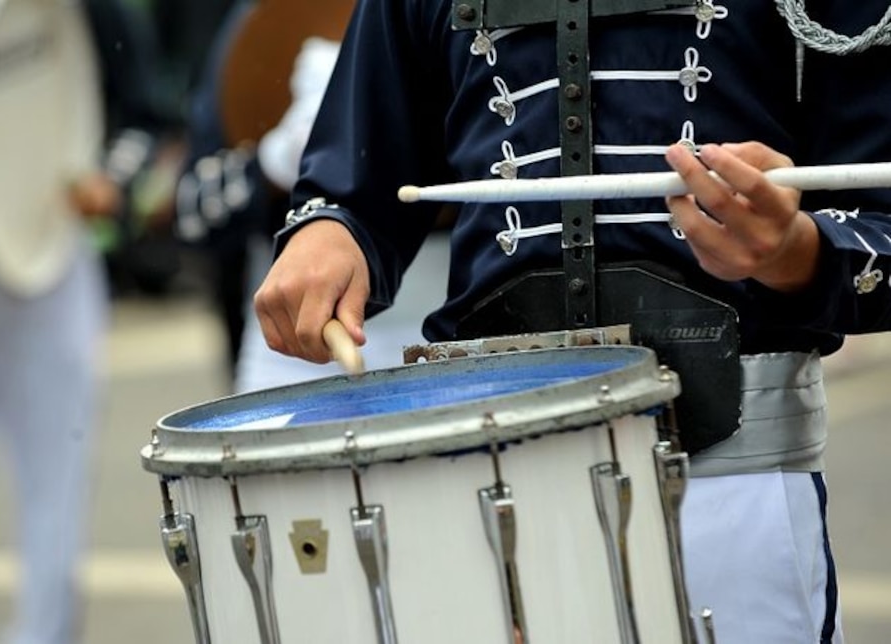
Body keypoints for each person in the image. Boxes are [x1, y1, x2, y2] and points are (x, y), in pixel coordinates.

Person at [254, 1, 891, 641]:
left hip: (729, 482)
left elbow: (879, 220)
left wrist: (796, 250)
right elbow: (357, 180)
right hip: (478, 485)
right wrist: (331, 229)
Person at [0, 2, 173, 643]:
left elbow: (144, 111)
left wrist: (110, 184)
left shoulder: (84, 11)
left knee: (54, 480)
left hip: (46, 260)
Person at [174, 0, 449, 392]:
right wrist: (273, 162)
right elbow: (192, 211)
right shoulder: (262, 21)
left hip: (446, 335)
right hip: (288, 349)